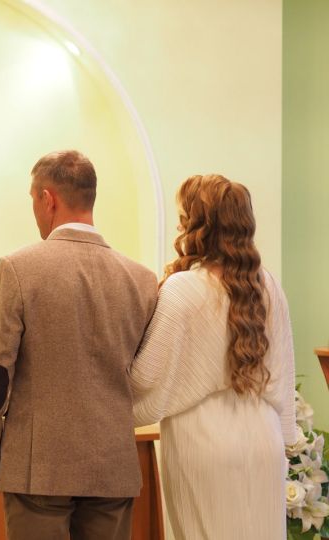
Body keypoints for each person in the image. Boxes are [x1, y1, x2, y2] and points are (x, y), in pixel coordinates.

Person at [0, 150, 158, 540]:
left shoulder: (18, 268)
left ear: (47, 199)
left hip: (39, 469)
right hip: (113, 466)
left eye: (33, 200)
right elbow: (144, 373)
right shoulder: (141, 279)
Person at [129, 174, 296, 539]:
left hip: (202, 438)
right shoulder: (268, 286)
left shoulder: (183, 289)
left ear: (199, 225)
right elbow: (283, 370)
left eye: (183, 216)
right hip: (263, 437)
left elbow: (147, 378)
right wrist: (285, 437)